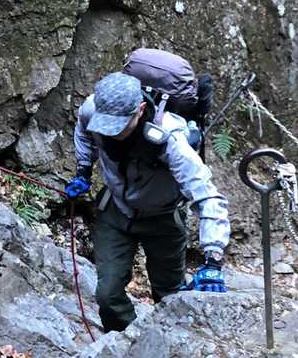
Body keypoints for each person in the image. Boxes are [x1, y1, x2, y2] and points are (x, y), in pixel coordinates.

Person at [64, 71, 230, 333]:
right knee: (107, 295)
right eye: (106, 124)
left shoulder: (170, 138)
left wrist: (213, 258)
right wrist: (83, 170)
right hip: (115, 212)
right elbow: (83, 131)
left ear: (140, 109)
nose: (111, 132)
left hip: (164, 219)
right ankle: (125, 341)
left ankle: (170, 346)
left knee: (170, 296)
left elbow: (207, 194)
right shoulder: (92, 110)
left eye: (119, 125)